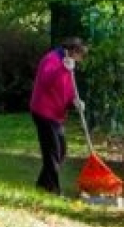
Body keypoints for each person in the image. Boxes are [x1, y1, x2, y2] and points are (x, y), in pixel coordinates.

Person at [28, 37, 88, 195]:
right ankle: (54, 191)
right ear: (73, 51)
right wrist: (62, 68)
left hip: (56, 114)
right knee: (53, 154)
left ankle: (42, 186)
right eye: (80, 56)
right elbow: (47, 81)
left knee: (61, 152)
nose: (80, 60)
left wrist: (74, 102)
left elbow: (66, 90)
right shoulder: (52, 59)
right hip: (43, 111)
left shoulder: (69, 66)